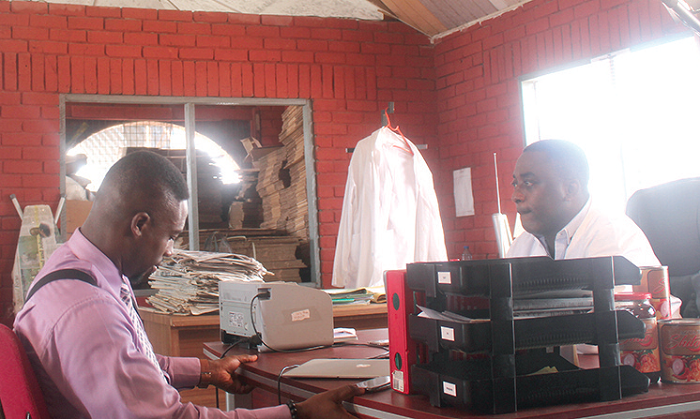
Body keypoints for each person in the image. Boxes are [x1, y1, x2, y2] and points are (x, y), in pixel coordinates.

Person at [13, 151, 364, 419]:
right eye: (171, 237)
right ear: (139, 225)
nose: (169, 252)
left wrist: (205, 370)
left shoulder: (70, 268)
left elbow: (128, 363)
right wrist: (296, 413)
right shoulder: (90, 313)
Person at [506, 139, 660, 268]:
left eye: (528, 183)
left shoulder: (612, 238)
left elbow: (609, 304)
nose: (515, 196)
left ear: (570, 189)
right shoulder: (522, 246)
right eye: (515, 184)